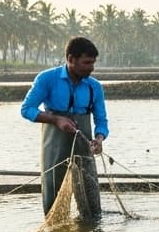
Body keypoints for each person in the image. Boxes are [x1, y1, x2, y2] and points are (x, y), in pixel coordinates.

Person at [20, 36, 108, 216]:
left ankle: (91, 230)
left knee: (91, 202)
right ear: (70, 59)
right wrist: (56, 120)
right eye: (86, 63)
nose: (91, 68)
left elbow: (101, 120)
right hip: (54, 147)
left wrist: (99, 139)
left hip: (84, 149)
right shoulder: (47, 79)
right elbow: (27, 109)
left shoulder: (94, 87)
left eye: (93, 63)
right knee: (53, 198)